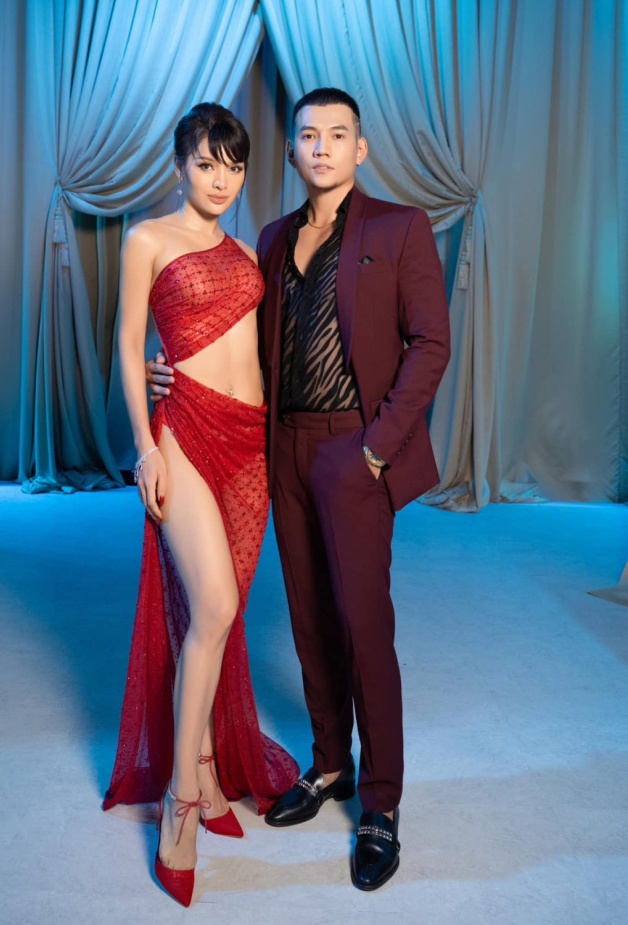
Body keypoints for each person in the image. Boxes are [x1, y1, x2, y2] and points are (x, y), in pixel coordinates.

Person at [147, 87, 451, 893]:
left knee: (363, 621)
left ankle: (380, 801)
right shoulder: (272, 239)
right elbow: (232, 336)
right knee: (310, 613)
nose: (321, 147)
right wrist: (166, 367)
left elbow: (432, 343)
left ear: (360, 149)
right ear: (291, 153)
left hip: (356, 443)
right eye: (308, 135)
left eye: (337, 135)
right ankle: (329, 763)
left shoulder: (399, 227)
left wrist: (377, 448)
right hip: (280, 445)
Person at [104, 102, 298, 908]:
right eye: (207, 163)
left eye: (234, 165)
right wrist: (144, 447)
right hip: (183, 431)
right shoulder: (148, 238)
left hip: (250, 442)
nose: (221, 179)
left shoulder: (247, 251)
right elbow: (128, 343)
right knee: (213, 603)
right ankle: (182, 795)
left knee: (221, 616)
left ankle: (213, 765)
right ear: (179, 164)